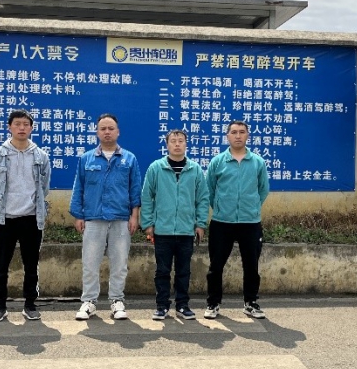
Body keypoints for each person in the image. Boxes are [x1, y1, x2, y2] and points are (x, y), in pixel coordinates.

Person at [70, 114, 142, 320]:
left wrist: (134, 216)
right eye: (103, 129)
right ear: (97, 132)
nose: (107, 132)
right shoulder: (86, 159)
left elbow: (135, 189)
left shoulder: (129, 159)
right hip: (94, 218)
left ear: (118, 132)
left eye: (111, 128)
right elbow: (79, 188)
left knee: (119, 263)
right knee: (90, 263)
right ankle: (89, 301)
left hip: (121, 218)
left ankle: (117, 301)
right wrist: (78, 215)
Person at [0, 109, 51, 322]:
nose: (21, 128)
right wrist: (0, 206)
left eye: (26, 124)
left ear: (31, 128)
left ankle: (30, 304)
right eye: (17, 124)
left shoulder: (41, 156)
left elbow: (44, 187)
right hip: (5, 219)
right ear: (9, 127)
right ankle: (0, 306)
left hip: (31, 218)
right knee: (1, 266)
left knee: (31, 266)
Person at [204, 120, 270, 320]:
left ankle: (250, 303)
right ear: (227, 136)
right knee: (216, 266)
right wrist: (221, 207)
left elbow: (263, 189)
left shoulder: (257, 162)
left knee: (251, 266)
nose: (238, 136)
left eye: (242, 132)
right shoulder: (218, 162)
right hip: (222, 222)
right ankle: (213, 303)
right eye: (234, 132)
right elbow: (209, 189)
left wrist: (252, 207)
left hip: (250, 223)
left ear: (248, 135)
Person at [141, 129, 209, 321]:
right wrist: (148, 223)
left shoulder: (195, 169)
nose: (177, 144)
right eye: (173, 141)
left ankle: (182, 305)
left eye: (181, 141)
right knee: (162, 271)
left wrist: (200, 224)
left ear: (186, 144)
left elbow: (203, 199)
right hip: (162, 230)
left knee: (183, 271)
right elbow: (147, 197)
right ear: (167, 144)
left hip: (186, 230)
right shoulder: (156, 168)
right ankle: (162, 306)